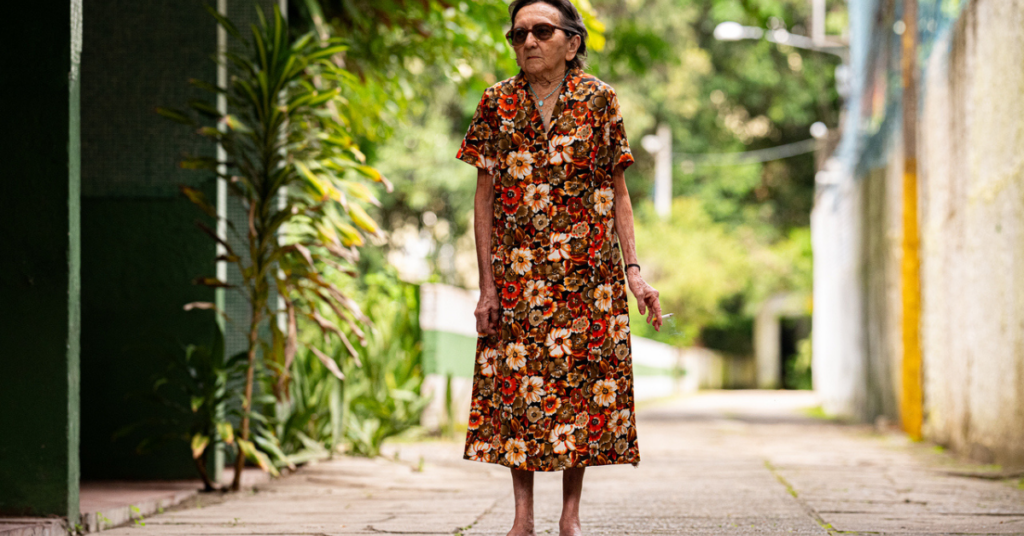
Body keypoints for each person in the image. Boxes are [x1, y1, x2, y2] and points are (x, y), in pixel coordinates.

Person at [455, 1, 663, 534]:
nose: (528, 41)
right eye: (519, 32)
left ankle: (570, 516)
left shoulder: (600, 100)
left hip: (588, 279)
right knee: (518, 392)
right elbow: (483, 200)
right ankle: (523, 516)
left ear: (571, 43)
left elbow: (619, 193)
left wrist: (633, 272)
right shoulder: (495, 103)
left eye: (541, 30)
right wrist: (486, 287)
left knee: (583, 393)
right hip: (518, 275)